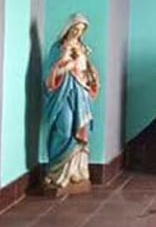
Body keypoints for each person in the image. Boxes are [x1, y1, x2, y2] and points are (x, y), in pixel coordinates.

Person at [43, 13, 100, 193]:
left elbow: (85, 68)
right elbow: (50, 75)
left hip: (80, 92)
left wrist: (91, 75)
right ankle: (55, 171)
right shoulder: (58, 48)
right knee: (64, 127)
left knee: (79, 130)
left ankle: (75, 171)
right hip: (64, 93)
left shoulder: (82, 48)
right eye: (75, 29)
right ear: (68, 28)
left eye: (81, 30)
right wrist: (65, 66)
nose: (77, 32)